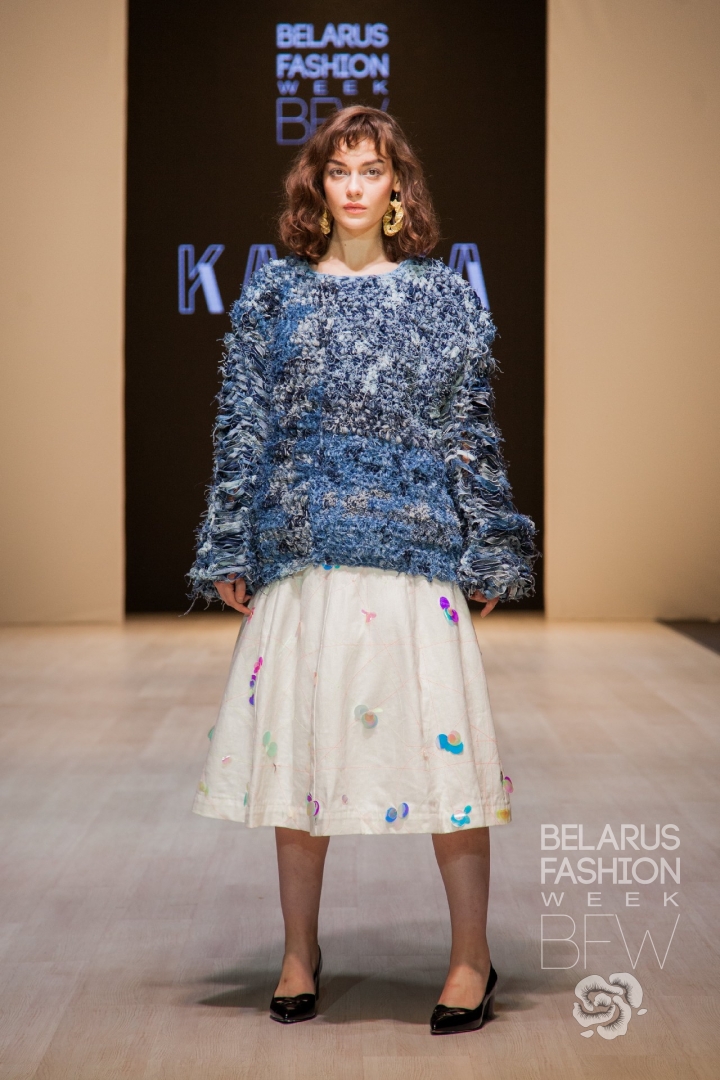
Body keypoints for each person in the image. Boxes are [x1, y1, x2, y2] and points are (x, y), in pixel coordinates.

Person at [188, 105, 537, 1034]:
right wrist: (229, 538)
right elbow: (244, 427)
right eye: (337, 170)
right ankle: (299, 953)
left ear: (396, 189)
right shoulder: (274, 297)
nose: (352, 185)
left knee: (447, 762)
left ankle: (471, 960)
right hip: (305, 553)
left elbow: (469, 431)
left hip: (414, 552)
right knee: (300, 756)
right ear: (317, 185)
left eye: (370, 170)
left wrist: (491, 541)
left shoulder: (439, 298)